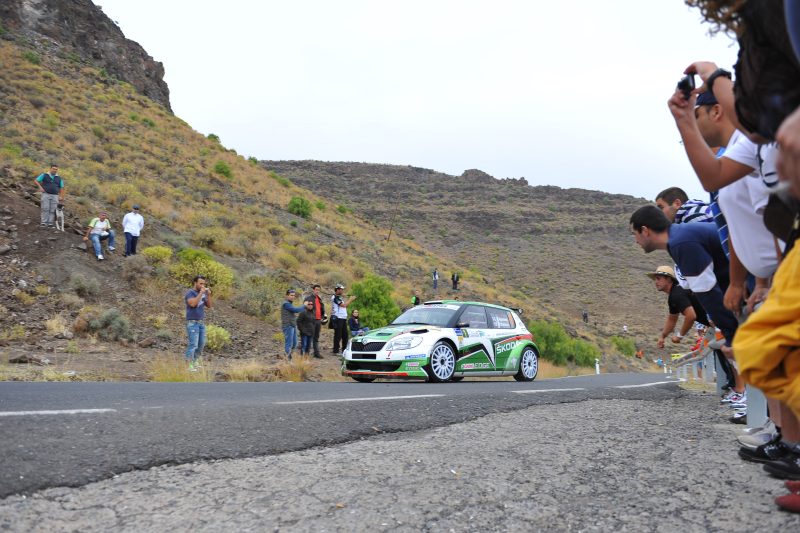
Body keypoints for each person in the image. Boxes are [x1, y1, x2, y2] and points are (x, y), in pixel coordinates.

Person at [646, 265, 710, 349]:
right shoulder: (676, 292)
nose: (656, 282)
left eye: (658, 279)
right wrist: (662, 337)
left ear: (669, 279)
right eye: (655, 279)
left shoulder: (676, 294)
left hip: (720, 321)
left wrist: (679, 336)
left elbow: (691, 316)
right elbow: (672, 319)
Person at [185, 275, 212, 372]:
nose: (202, 285)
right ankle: (189, 365)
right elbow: (193, 304)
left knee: (201, 344)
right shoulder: (190, 293)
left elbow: (209, 305)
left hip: (201, 323)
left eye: (204, 284)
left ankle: (195, 361)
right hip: (192, 323)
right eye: (200, 283)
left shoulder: (203, 293)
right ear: (195, 283)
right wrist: (201, 293)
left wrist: (208, 294)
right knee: (193, 345)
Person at [331, 284, 356, 355]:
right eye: (341, 289)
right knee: (338, 335)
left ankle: (344, 350)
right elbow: (344, 305)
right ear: (337, 290)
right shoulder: (335, 298)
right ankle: (335, 351)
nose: (342, 291)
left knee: (345, 335)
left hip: (343, 318)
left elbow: (343, 302)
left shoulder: (339, 297)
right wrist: (351, 299)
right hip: (338, 318)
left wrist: (346, 296)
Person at [302, 284, 326, 359]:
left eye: (319, 290)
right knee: (309, 337)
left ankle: (316, 353)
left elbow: (321, 309)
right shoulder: (308, 298)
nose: (317, 291)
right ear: (313, 290)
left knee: (316, 337)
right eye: (316, 290)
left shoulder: (319, 299)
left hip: (318, 320)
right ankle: (306, 354)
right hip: (311, 320)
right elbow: (304, 309)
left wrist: (323, 316)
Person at [281, 289, 305, 360]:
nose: (293, 297)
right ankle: (288, 358)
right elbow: (296, 310)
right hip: (288, 326)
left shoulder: (289, 303)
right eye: (291, 295)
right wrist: (304, 305)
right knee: (289, 343)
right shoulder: (286, 304)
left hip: (293, 325)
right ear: (287, 296)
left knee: (295, 343)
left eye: (294, 295)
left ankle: (289, 355)